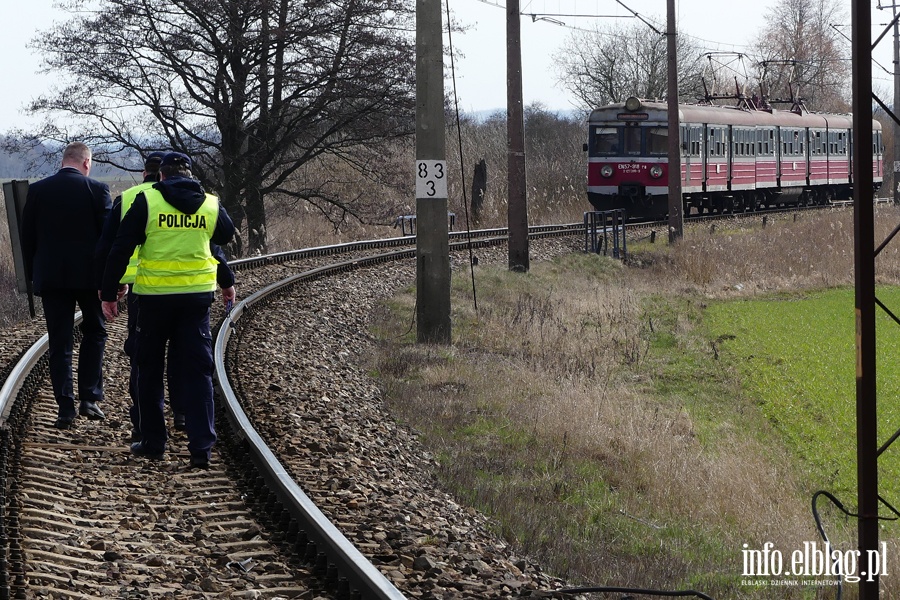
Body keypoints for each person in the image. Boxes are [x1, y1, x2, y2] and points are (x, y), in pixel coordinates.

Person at [100, 151, 235, 468]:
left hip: (154, 299)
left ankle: (153, 443)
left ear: (161, 176)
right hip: (196, 300)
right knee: (198, 371)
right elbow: (224, 237)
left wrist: (109, 292)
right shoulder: (210, 204)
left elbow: (121, 247)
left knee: (148, 370)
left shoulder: (148, 202)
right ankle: (201, 449)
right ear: (189, 174)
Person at [20, 141, 113, 429]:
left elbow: (27, 238)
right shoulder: (97, 190)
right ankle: (89, 397)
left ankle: (65, 409)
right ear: (86, 162)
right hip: (89, 279)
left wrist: (33, 276)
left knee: (59, 342)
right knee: (95, 332)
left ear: (63, 161)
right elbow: (107, 240)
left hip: (52, 278)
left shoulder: (38, 191)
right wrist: (110, 280)